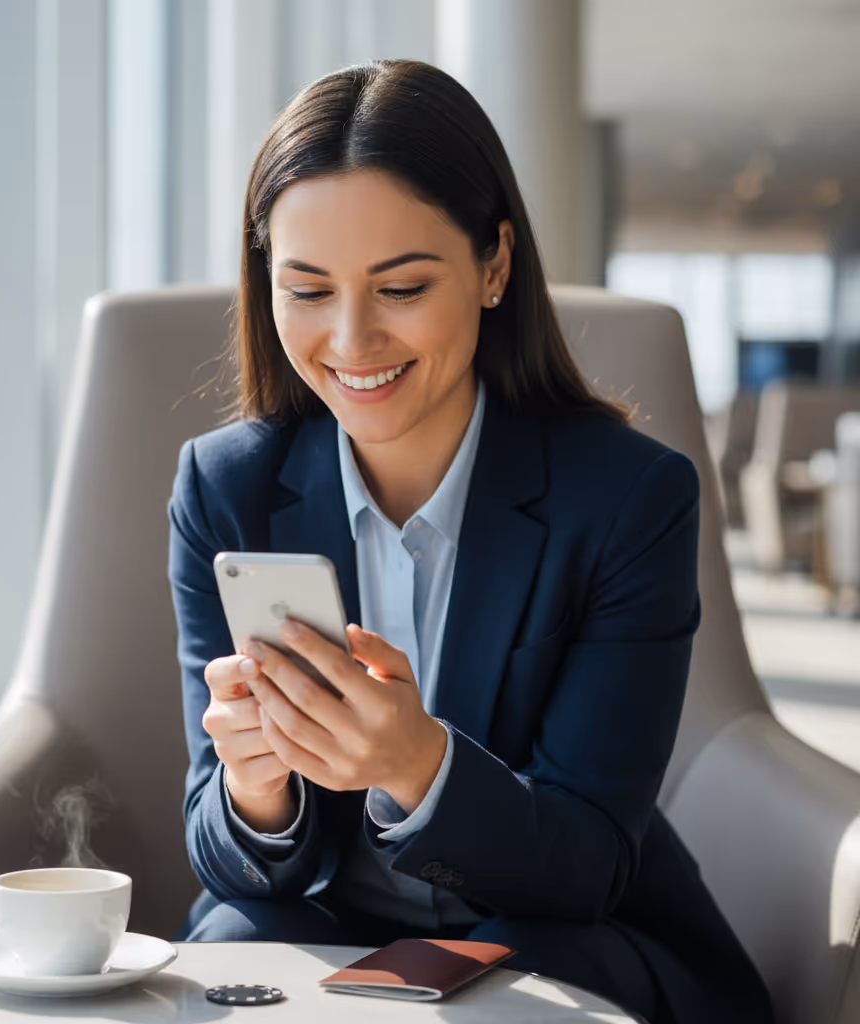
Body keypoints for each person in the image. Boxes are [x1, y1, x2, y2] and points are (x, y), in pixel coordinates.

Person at [166, 59, 773, 1024]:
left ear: (494, 265)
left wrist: (417, 765)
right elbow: (224, 858)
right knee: (227, 955)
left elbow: (589, 859)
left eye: (402, 287)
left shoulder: (628, 499)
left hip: (548, 928)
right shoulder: (225, 488)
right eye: (308, 290)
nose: (351, 341)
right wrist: (254, 789)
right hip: (326, 925)